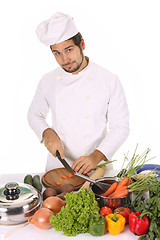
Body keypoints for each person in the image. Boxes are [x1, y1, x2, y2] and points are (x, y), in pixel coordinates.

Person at [28, 12, 130, 174]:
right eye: (57, 53)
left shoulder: (108, 79)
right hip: (58, 167)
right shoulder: (48, 80)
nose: (65, 60)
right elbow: (34, 114)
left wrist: (96, 156)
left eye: (69, 50)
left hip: (96, 168)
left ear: (81, 44)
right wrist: (46, 132)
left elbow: (121, 127)